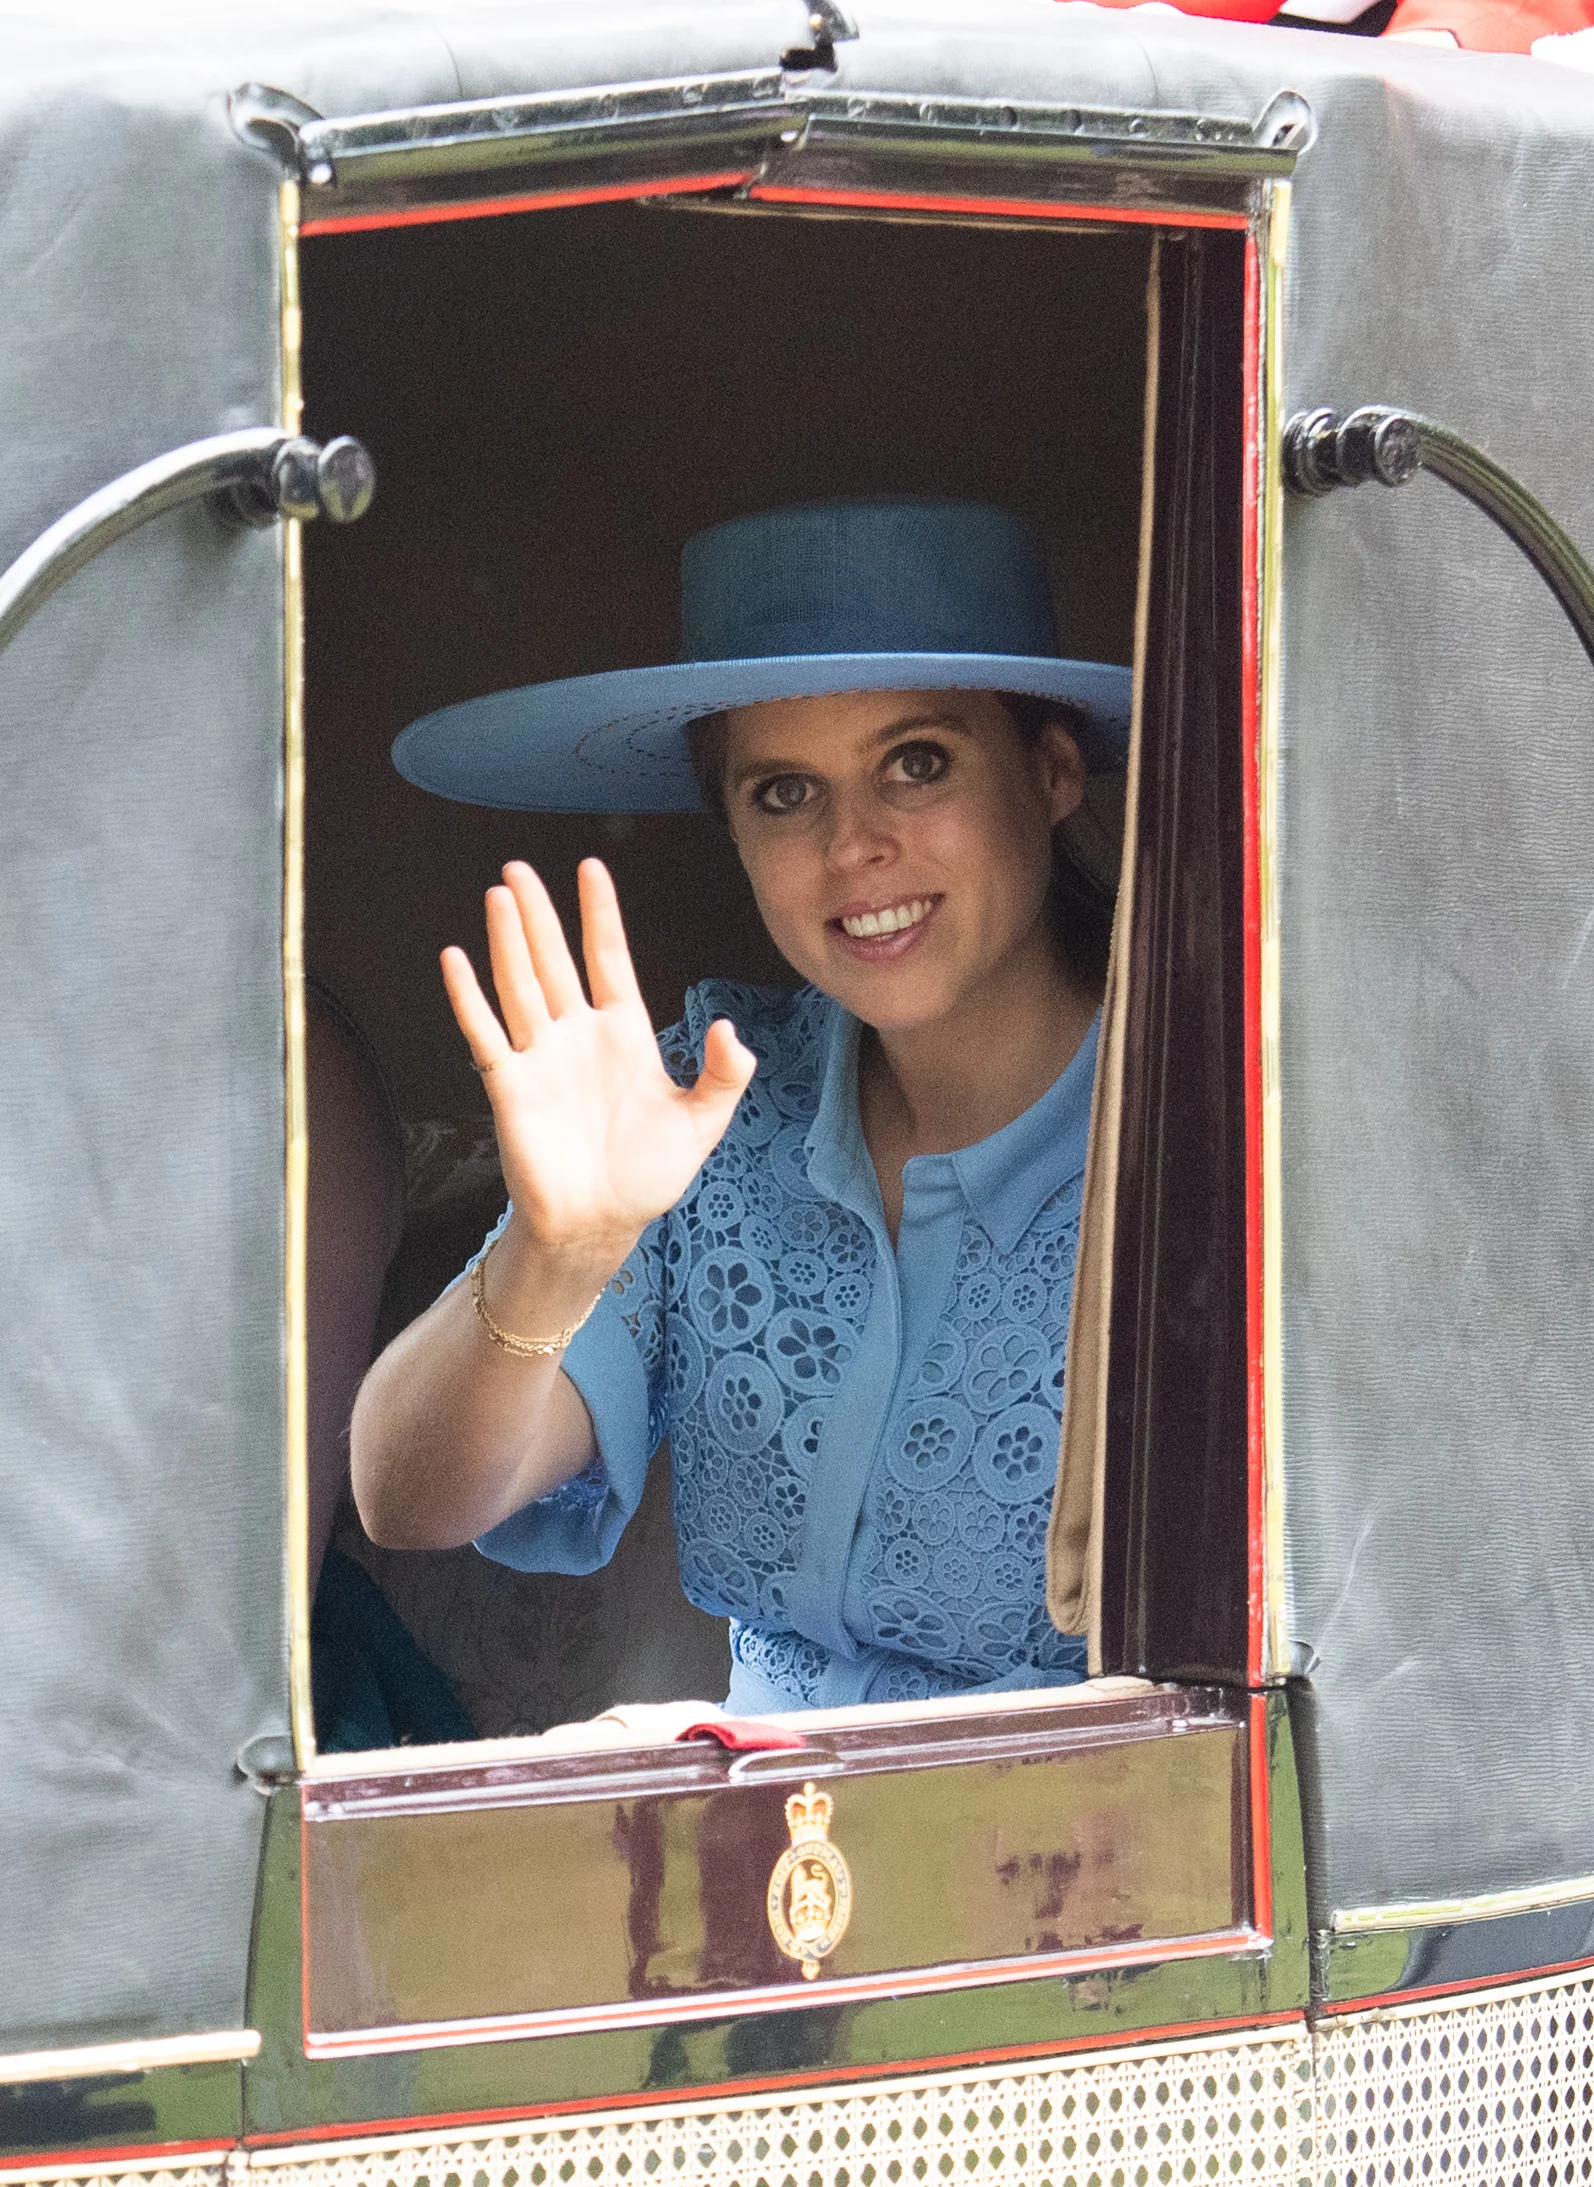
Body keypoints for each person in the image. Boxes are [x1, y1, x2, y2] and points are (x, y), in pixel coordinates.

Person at [352, 500, 1131, 1712]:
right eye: (783, 794)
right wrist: (557, 1259)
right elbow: (406, 1500)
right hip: (761, 1861)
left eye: (914, 763)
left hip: (1106, 1867)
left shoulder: (1203, 1134)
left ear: (1049, 771)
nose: (853, 846)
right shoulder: (710, 1104)